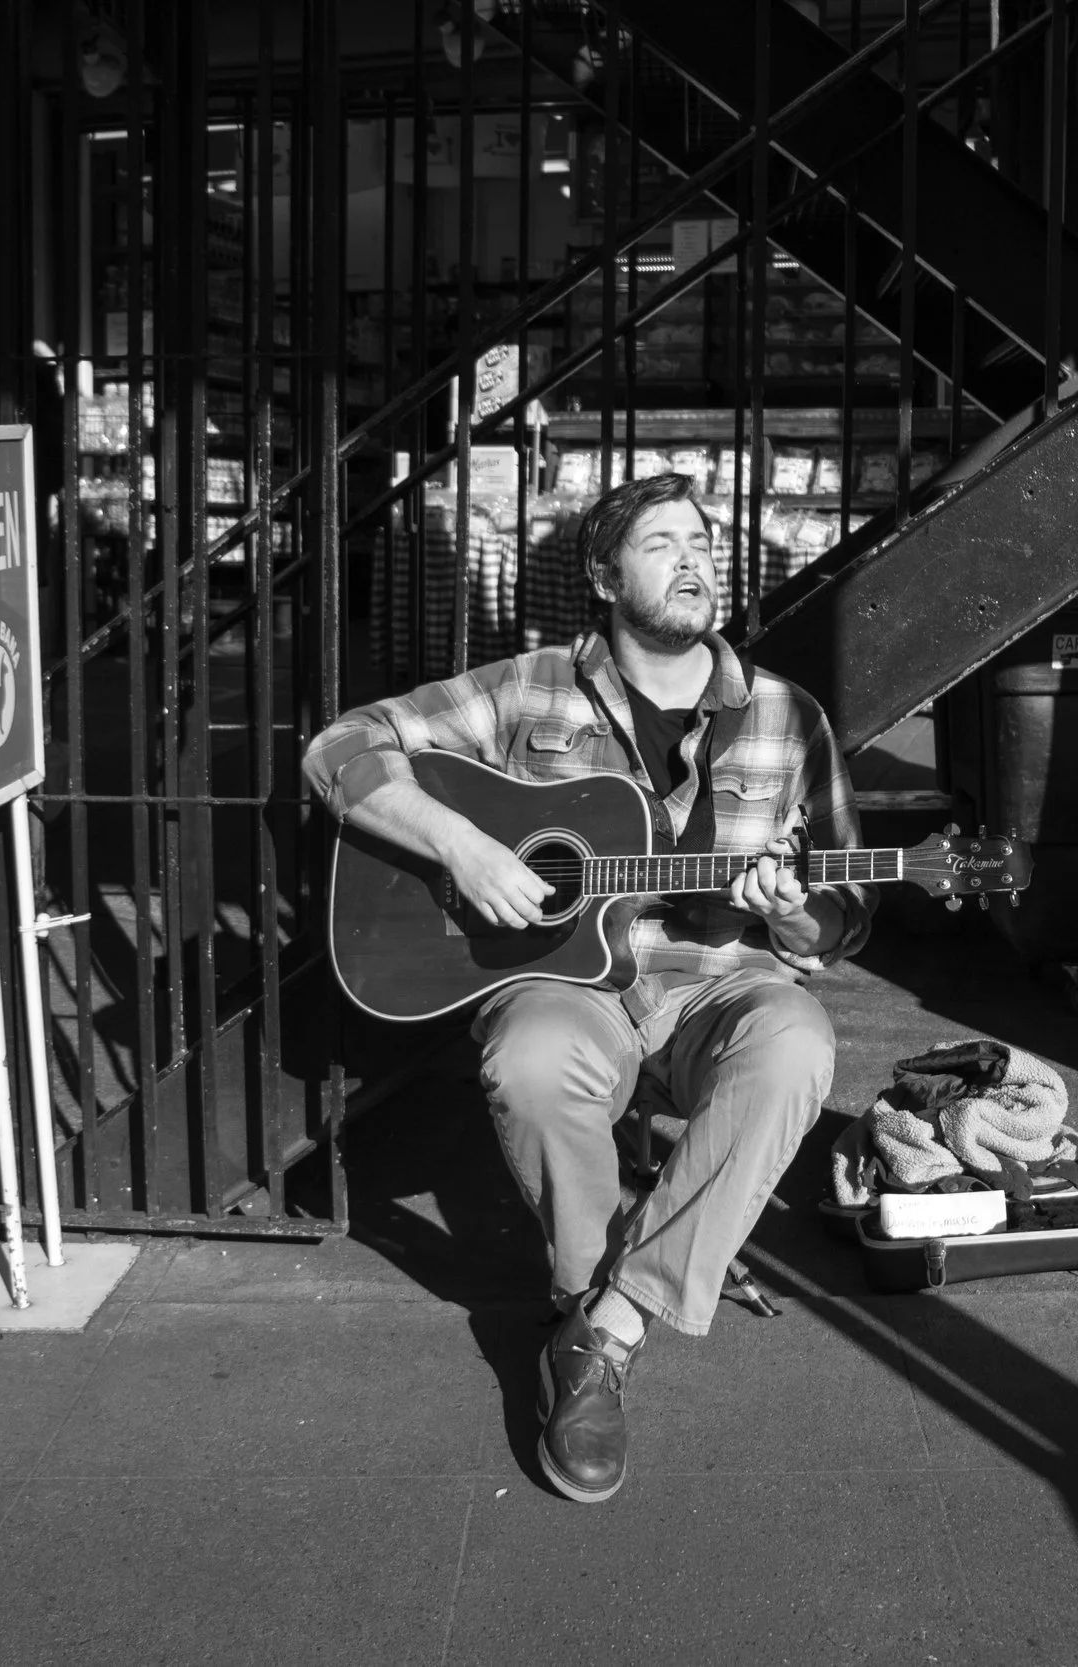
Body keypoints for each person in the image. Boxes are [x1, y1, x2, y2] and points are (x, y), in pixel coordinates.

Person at [301, 472, 871, 1505]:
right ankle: (587, 1294)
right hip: (572, 985)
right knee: (529, 1054)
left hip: (717, 981)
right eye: (663, 542)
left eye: (704, 539)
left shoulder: (789, 717)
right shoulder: (529, 690)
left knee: (795, 1040)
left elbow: (839, 916)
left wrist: (789, 910)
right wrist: (464, 847)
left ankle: (604, 1327)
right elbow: (339, 747)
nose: (696, 558)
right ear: (605, 577)